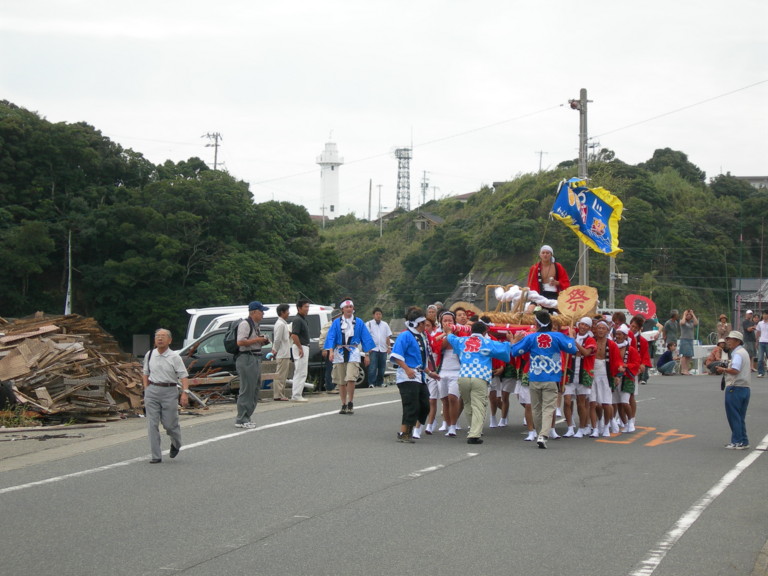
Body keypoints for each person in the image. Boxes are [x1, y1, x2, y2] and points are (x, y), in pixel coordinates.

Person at [508, 310, 578, 449]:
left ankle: (540, 432)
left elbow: (515, 352)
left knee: (536, 408)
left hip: (534, 377)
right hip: (551, 378)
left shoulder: (531, 337)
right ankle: (543, 435)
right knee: (548, 408)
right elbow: (572, 349)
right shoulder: (557, 336)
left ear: (536, 323)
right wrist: (571, 337)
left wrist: (514, 341)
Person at [447, 319, 511, 444]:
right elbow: (504, 350)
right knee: (478, 405)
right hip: (480, 376)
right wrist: (509, 341)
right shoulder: (487, 342)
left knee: (467, 403)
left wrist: (449, 332)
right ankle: (474, 434)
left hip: (463, 376)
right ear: (484, 331)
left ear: (471, 330)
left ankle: (473, 428)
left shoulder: (462, 341)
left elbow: (451, 338)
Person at [390, 308, 439, 443]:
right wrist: (407, 369)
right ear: (417, 323)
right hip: (407, 376)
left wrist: (430, 372)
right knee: (411, 405)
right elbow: (396, 355)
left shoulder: (422, 336)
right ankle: (404, 433)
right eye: (423, 322)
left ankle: (409, 431)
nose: (425, 325)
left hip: (420, 375)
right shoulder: (405, 336)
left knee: (425, 405)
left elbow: (421, 359)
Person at [142, 328, 190, 463]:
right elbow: (145, 372)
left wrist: (185, 393)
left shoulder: (174, 357)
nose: (160, 339)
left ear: (170, 340)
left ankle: (176, 442)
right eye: (157, 336)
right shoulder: (150, 354)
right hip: (152, 391)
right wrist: (146, 389)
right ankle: (156, 455)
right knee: (152, 424)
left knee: (169, 424)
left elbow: (183, 376)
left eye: (163, 336)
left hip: (169, 391)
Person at [324, 298, 375, 414]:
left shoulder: (359, 322)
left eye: (351, 307)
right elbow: (331, 337)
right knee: (341, 381)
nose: (349, 309)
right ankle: (343, 403)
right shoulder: (336, 323)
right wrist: (331, 351)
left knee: (351, 378)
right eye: (346, 307)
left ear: (353, 308)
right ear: (342, 309)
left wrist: (367, 354)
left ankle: (350, 401)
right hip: (339, 351)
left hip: (353, 351)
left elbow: (365, 338)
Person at [235, 301, 271, 426]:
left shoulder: (255, 325)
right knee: (247, 389)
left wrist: (262, 341)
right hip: (247, 358)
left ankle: (247, 416)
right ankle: (241, 419)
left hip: (255, 357)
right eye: (261, 312)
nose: (263, 314)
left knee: (254, 388)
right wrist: (258, 339)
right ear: (254, 312)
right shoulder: (245, 324)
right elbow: (240, 342)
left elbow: (251, 341)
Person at [715, 331, 751, 449]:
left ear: (738, 341)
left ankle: (737, 441)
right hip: (745, 388)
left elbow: (735, 370)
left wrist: (723, 369)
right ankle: (743, 441)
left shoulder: (737, 354)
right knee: (740, 416)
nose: (728, 341)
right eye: (728, 339)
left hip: (735, 387)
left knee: (733, 415)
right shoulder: (744, 352)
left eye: (731, 339)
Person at [290, 298, 311, 402]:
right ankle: (296, 395)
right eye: (305, 307)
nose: (307, 309)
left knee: (301, 371)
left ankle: (297, 393)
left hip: (303, 346)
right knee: (300, 372)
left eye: (308, 307)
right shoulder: (298, 320)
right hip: (301, 347)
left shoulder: (303, 319)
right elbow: (294, 335)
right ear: (299, 308)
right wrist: (300, 348)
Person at [366, 307, 392, 387]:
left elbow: (388, 336)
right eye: (377, 314)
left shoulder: (385, 324)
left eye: (380, 314)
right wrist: (367, 349)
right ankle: (371, 383)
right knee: (373, 367)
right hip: (373, 349)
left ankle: (380, 383)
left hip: (383, 349)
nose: (378, 316)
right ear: (373, 315)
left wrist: (389, 347)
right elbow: (366, 337)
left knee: (382, 367)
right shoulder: (369, 324)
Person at [271, 303, 291, 401]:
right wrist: (275, 350)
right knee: (280, 375)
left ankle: (280, 394)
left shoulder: (283, 323)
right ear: (282, 312)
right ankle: (278, 395)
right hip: (282, 353)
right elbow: (277, 339)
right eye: (287, 311)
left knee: (283, 375)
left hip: (284, 353)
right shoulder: (280, 324)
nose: (288, 313)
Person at [318, 309, 342, 393]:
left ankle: (337, 385)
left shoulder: (340, 325)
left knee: (337, 368)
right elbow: (323, 337)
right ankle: (329, 387)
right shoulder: (329, 325)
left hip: (337, 349)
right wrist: (323, 348)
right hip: (329, 349)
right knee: (330, 368)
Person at [678, 309, 698, 375]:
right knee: (684, 355)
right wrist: (684, 314)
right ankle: (683, 370)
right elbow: (682, 322)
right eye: (687, 315)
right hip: (684, 339)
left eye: (690, 315)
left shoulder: (692, 322)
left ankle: (686, 369)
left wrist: (693, 314)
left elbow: (696, 323)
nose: (688, 316)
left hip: (690, 339)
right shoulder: (682, 321)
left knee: (689, 355)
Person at [756, 310, 768, 378]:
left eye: (766, 314)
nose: (765, 315)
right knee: (760, 358)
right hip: (761, 341)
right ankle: (761, 372)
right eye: (763, 314)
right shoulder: (760, 323)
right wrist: (757, 341)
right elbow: (758, 332)